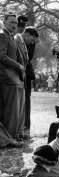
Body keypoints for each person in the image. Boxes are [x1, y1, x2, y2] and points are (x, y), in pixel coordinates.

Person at [0, 12, 25, 147]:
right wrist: (18, 66)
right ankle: (9, 140)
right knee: (11, 111)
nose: (15, 25)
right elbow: (1, 56)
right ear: (4, 22)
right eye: (11, 22)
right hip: (7, 77)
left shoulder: (11, 37)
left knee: (13, 110)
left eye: (16, 23)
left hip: (12, 77)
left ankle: (11, 137)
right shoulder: (2, 35)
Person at [15, 26, 39, 139]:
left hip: (23, 75)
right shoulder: (17, 40)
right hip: (16, 76)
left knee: (24, 103)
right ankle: (17, 130)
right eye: (32, 39)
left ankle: (22, 128)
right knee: (18, 104)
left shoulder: (24, 42)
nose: (32, 42)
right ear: (27, 34)